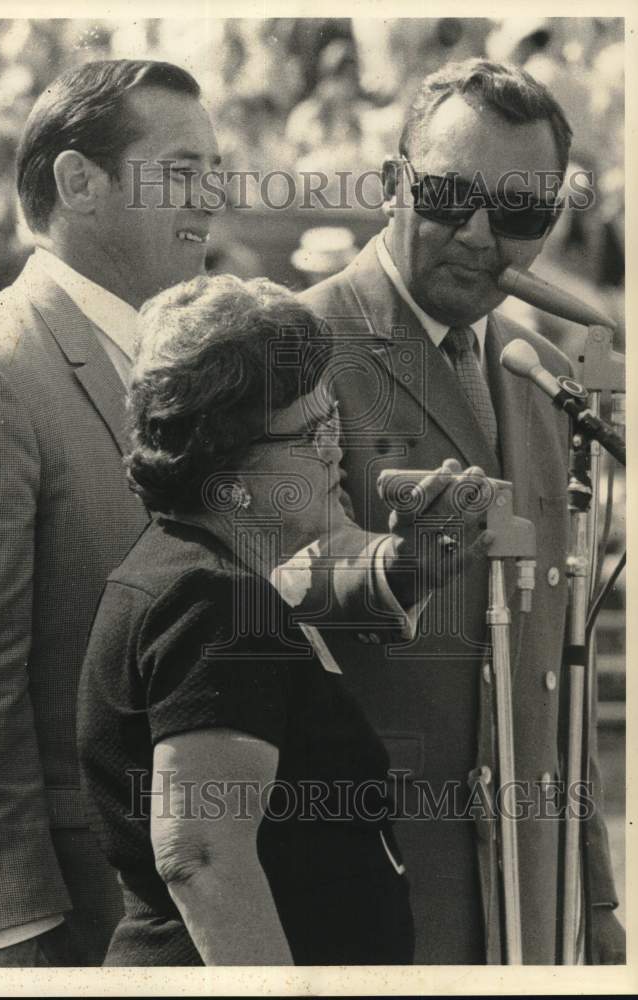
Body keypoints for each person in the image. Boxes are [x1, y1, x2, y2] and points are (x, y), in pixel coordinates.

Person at [0, 58, 220, 968]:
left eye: (214, 171)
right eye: (182, 171)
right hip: (36, 931)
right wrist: (9, 940)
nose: (211, 197)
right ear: (77, 182)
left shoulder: (160, 360)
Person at [301, 58, 625, 964]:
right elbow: (274, 586)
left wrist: (593, 899)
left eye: (521, 213)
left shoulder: (538, 374)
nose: (480, 236)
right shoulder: (292, 348)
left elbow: (555, 675)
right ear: (389, 183)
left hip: (527, 905)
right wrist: (404, 563)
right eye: (447, 195)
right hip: (370, 899)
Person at [77, 273, 493, 966]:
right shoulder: (213, 601)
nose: (336, 450)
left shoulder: (218, 580)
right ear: (227, 464)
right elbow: (201, 856)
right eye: (311, 433)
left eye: (335, 422)